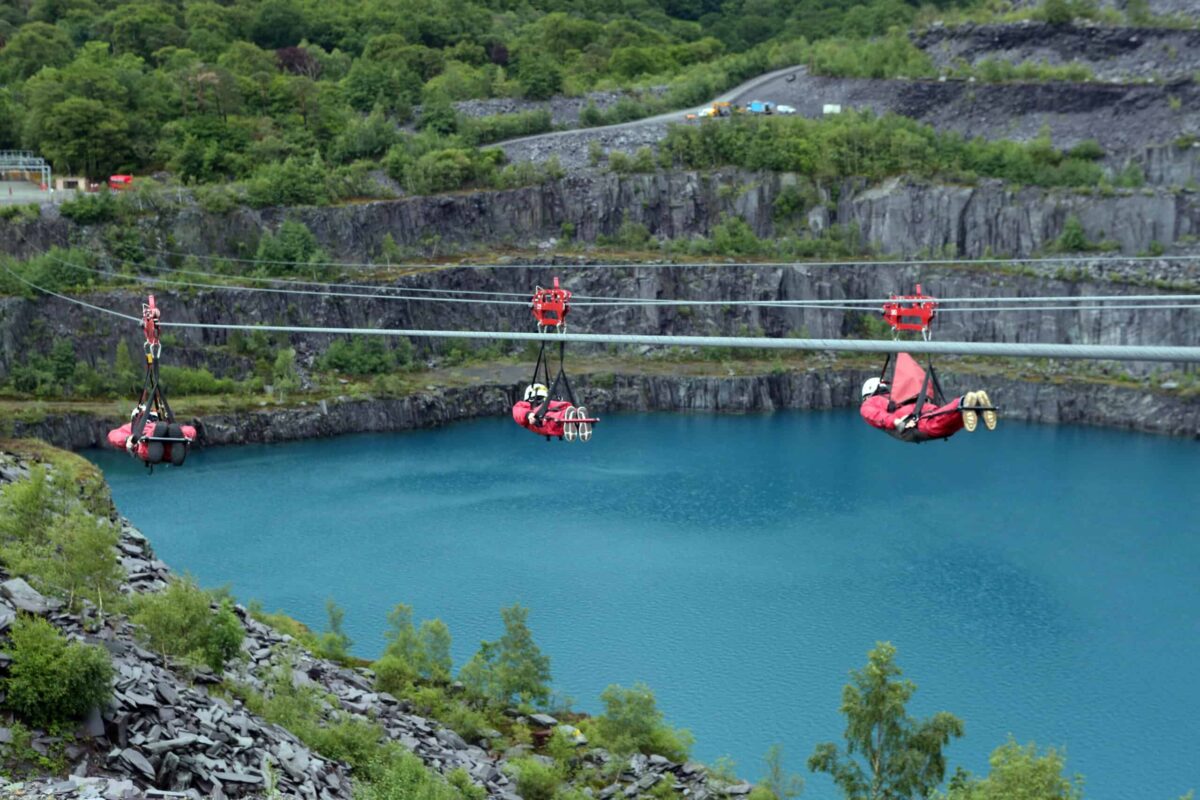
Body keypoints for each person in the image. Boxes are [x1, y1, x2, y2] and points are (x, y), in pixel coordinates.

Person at [859, 376, 997, 443]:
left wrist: (896, 422)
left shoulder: (869, 403)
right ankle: (974, 408)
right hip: (922, 408)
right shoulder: (896, 396)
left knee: (937, 424)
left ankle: (964, 402)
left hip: (912, 421)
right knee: (946, 423)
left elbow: (875, 415)